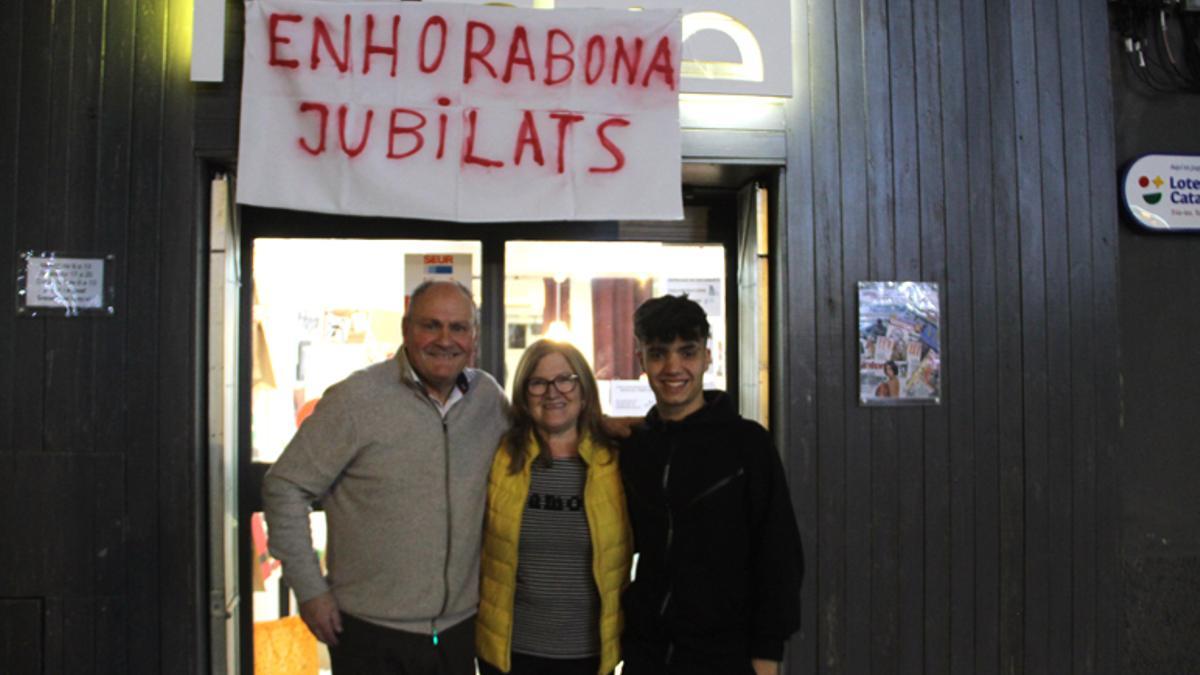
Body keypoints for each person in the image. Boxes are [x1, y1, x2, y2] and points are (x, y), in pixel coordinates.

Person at [262, 280, 509, 675]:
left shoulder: (488, 400)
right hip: (370, 635)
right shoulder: (356, 399)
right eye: (431, 325)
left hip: (459, 632)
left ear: (474, 337)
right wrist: (310, 590)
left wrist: (611, 429)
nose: (445, 339)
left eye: (458, 327)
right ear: (407, 329)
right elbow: (285, 486)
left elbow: (535, 445)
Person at [619, 294, 804, 675]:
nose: (673, 367)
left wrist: (767, 653)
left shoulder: (747, 444)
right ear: (641, 360)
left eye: (686, 352)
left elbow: (780, 553)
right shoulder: (636, 447)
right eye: (658, 353)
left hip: (726, 654)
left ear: (708, 356)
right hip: (648, 653)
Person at [476, 339, 632, 675]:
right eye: (538, 382)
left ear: (584, 388)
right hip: (510, 654)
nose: (552, 392)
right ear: (523, 393)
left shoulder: (617, 460)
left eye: (565, 379)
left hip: (588, 655)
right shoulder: (499, 457)